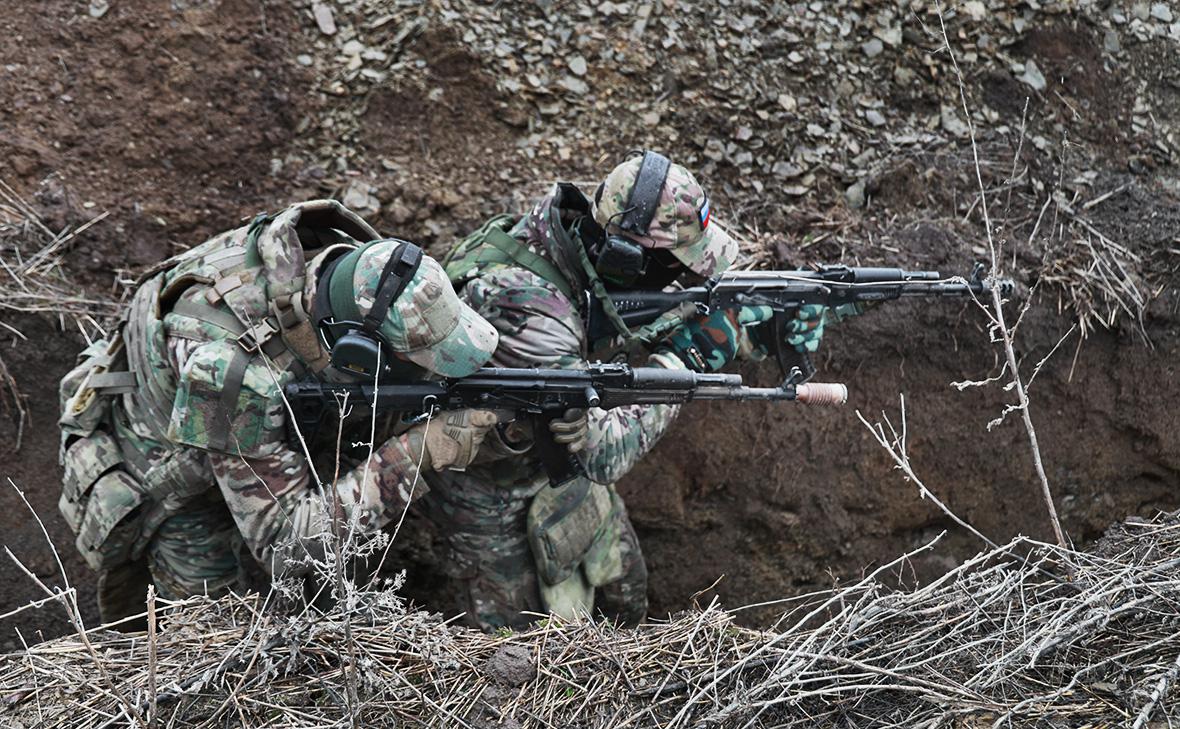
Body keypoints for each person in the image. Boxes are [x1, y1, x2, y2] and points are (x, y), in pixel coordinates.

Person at [428, 150, 833, 630]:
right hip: (490, 489)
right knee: (528, 656)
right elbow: (606, 453)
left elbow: (619, 318)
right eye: (676, 267)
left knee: (626, 602)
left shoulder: (565, 240)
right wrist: (692, 358)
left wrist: (749, 330)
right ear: (625, 259)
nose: (684, 278)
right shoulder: (525, 304)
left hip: (559, 454)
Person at [57, 199, 502, 623]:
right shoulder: (231, 372)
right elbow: (281, 544)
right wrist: (415, 454)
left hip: (274, 416)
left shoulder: (357, 279)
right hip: (175, 466)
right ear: (359, 353)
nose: (429, 374)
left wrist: (502, 429)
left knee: (349, 569)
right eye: (417, 360)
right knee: (209, 631)